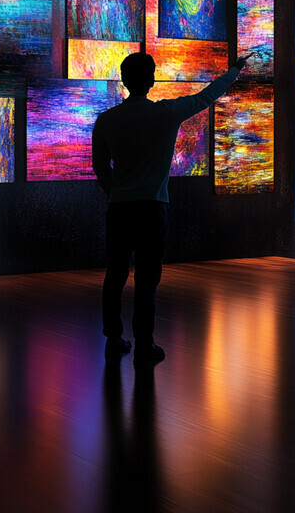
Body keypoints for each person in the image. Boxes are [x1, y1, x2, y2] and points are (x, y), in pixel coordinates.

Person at [92, 52, 248, 363]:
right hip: (153, 208)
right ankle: (144, 344)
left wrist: (117, 192)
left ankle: (113, 338)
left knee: (115, 274)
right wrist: (233, 71)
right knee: (147, 279)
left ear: (124, 81)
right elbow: (206, 96)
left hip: (120, 208)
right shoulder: (166, 113)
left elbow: (100, 168)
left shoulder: (106, 120)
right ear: (150, 81)